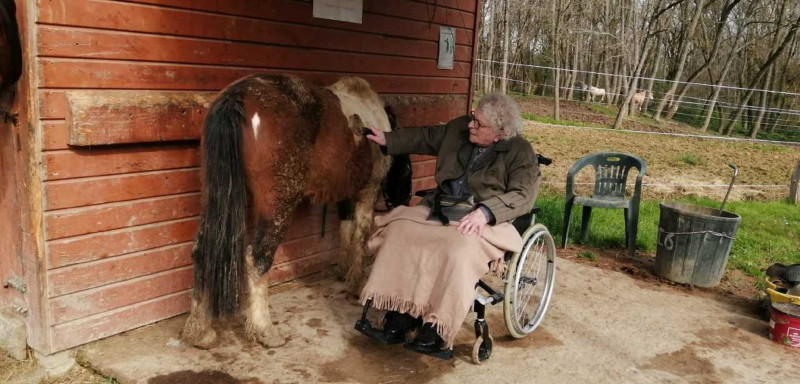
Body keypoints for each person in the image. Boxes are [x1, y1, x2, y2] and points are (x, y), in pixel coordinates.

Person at [360, 92, 541, 353]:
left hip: (485, 217)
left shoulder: (519, 151)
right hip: (443, 206)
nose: (471, 125)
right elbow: (426, 136)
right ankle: (403, 310)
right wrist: (387, 139)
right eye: (472, 118)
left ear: (500, 133)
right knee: (398, 230)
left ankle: (436, 325)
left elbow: (523, 194)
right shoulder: (459, 130)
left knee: (458, 249)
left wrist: (485, 213)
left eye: (479, 124)